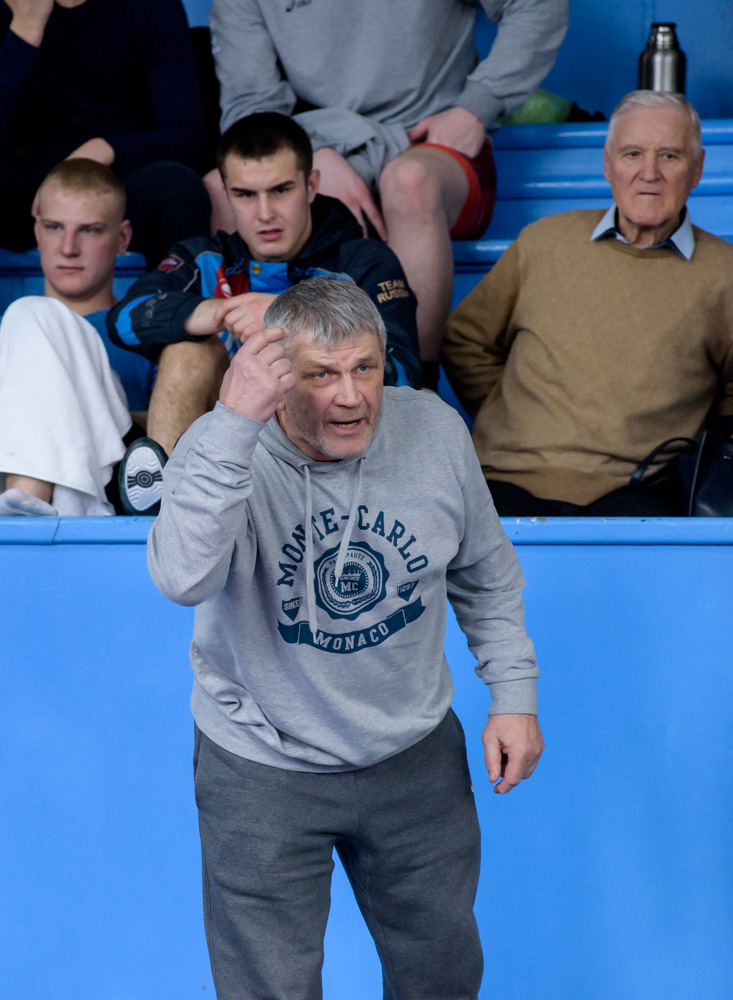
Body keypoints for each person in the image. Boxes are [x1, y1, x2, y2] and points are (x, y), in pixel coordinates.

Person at [147, 275, 544, 999]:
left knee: (442, 978)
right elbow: (181, 578)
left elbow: (486, 574)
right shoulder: (222, 448)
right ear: (276, 378)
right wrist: (232, 426)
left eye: (365, 367)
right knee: (269, 989)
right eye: (321, 375)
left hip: (411, 756)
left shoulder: (433, 431)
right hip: (262, 762)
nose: (352, 396)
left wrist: (513, 695)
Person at [208, 0, 569, 383]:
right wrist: (314, 154)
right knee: (219, 186)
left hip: (428, 139)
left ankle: (417, 388)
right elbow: (250, 101)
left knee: (409, 182)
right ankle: (245, 387)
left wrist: (476, 107)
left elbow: (537, 5)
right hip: (318, 142)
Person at [107, 112, 421, 509]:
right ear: (225, 193)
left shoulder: (363, 263)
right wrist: (217, 312)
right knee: (189, 351)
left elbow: (403, 376)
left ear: (311, 186)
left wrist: (296, 321)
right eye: (245, 195)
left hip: (329, 457)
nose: (265, 213)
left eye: (280, 190)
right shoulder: (204, 258)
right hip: (218, 461)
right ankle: (168, 509)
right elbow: (122, 320)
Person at [441, 90, 733, 516]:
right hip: (506, 478)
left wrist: (698, 444)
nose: (649, 173)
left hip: (640, 490)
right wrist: (510, 415)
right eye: (632, 154)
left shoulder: (724, 272)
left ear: (698, 168)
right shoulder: (543, 242)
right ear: (608, 164)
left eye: (669, 156)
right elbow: (465, 339)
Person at [0, 158, 226, 517]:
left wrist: (69, 403)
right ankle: (32, 500)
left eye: (89, 231)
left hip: (123, 488)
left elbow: (176, 432)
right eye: (55, 227)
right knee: (28, 315)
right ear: (37, 230)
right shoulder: (11, 334)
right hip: (49, 496)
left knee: (29, 311)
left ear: (122, 238)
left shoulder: (146, 330)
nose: (68, 247)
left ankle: (27, 500)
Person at [0, 0, 210, 268]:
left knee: (179, 190)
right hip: (33, 187)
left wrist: (105, 149)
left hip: (124, 178)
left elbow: (186, 137)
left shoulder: (151, 6)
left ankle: (172, 297)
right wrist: (26, 28)